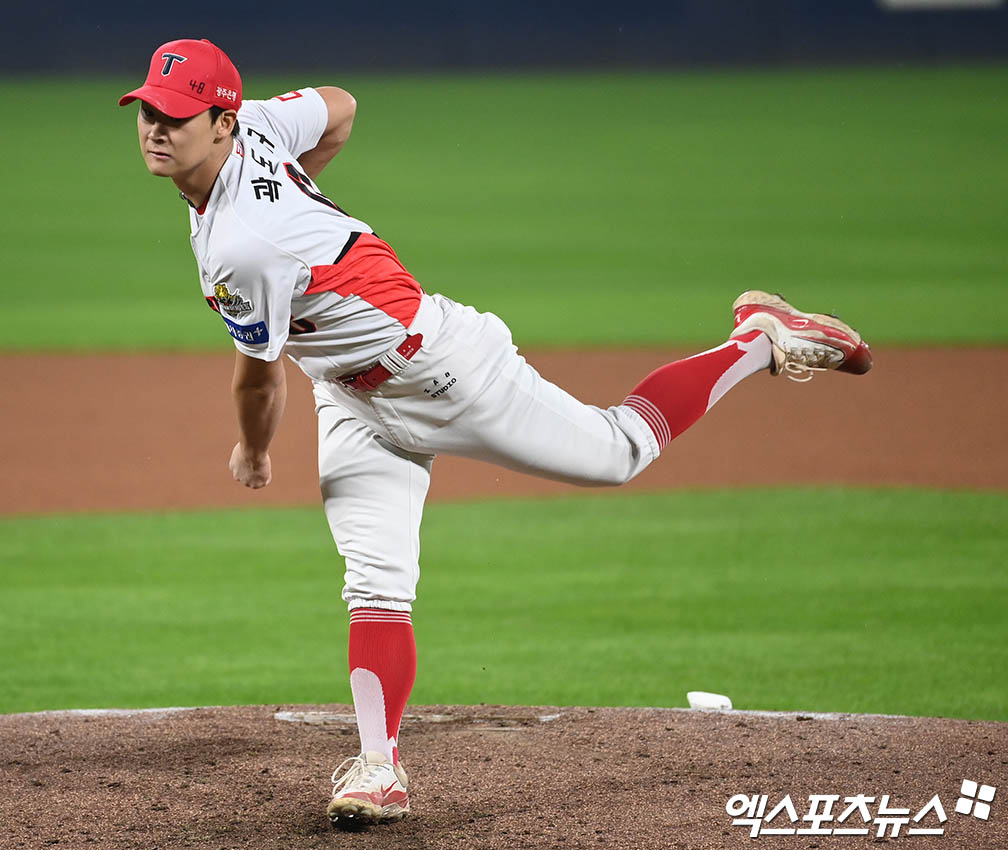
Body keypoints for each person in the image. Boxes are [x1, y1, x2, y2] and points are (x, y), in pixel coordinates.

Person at [118, 38, 872, 828]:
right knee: (375, 582)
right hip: (349, 393)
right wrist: (309, 202)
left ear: (223, 123)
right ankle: (380, 769)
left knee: (618, 452)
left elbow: (258, 377)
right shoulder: (263, 127)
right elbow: (339, 106)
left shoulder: (243, 244)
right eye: (148, 111)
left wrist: (256, 451)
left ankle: (755, 336)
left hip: (443, 370)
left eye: (176, 115)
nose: (155, 129)